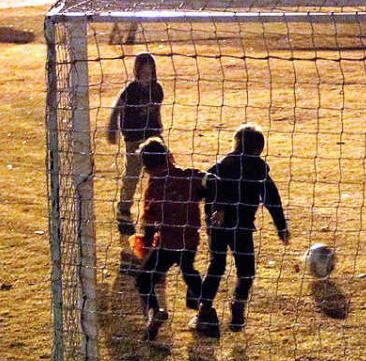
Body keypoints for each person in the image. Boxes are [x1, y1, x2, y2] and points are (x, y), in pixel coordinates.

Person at [194, 124, 290, 338]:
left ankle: (204, 310)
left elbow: (202, 188)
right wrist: (281, 226)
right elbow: (272, 199)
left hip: (218, 226)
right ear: (259, 150)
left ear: (235, 144)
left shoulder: (220, 166)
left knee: (216, 267)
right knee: (246, 271)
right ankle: (238, 305)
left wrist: (214, 207)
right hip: (241, 227)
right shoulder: (259, 171)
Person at [133, 137, 205, 341]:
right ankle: (205, 308)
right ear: (168, 156)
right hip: (189, 240)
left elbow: (149, 218)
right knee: (189, 272)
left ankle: (155, 311)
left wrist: (146, 246)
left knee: (143, 279)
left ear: (146, 168)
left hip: (166, 242)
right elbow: (209, 182)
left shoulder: (155, 186)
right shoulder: (189, 176)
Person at [107, 53, 164, 236]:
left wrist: (159, 128)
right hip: (134, 137)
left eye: (150, 68)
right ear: (137, 70)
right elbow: (117, 107)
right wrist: (112, 127)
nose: (147, 72)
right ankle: (124, 207)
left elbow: (156, 110)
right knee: (132, 173)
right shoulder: (131, 89)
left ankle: (157, 207)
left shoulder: (156, 89)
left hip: (152, 137)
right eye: (143, 68)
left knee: (161, 172)